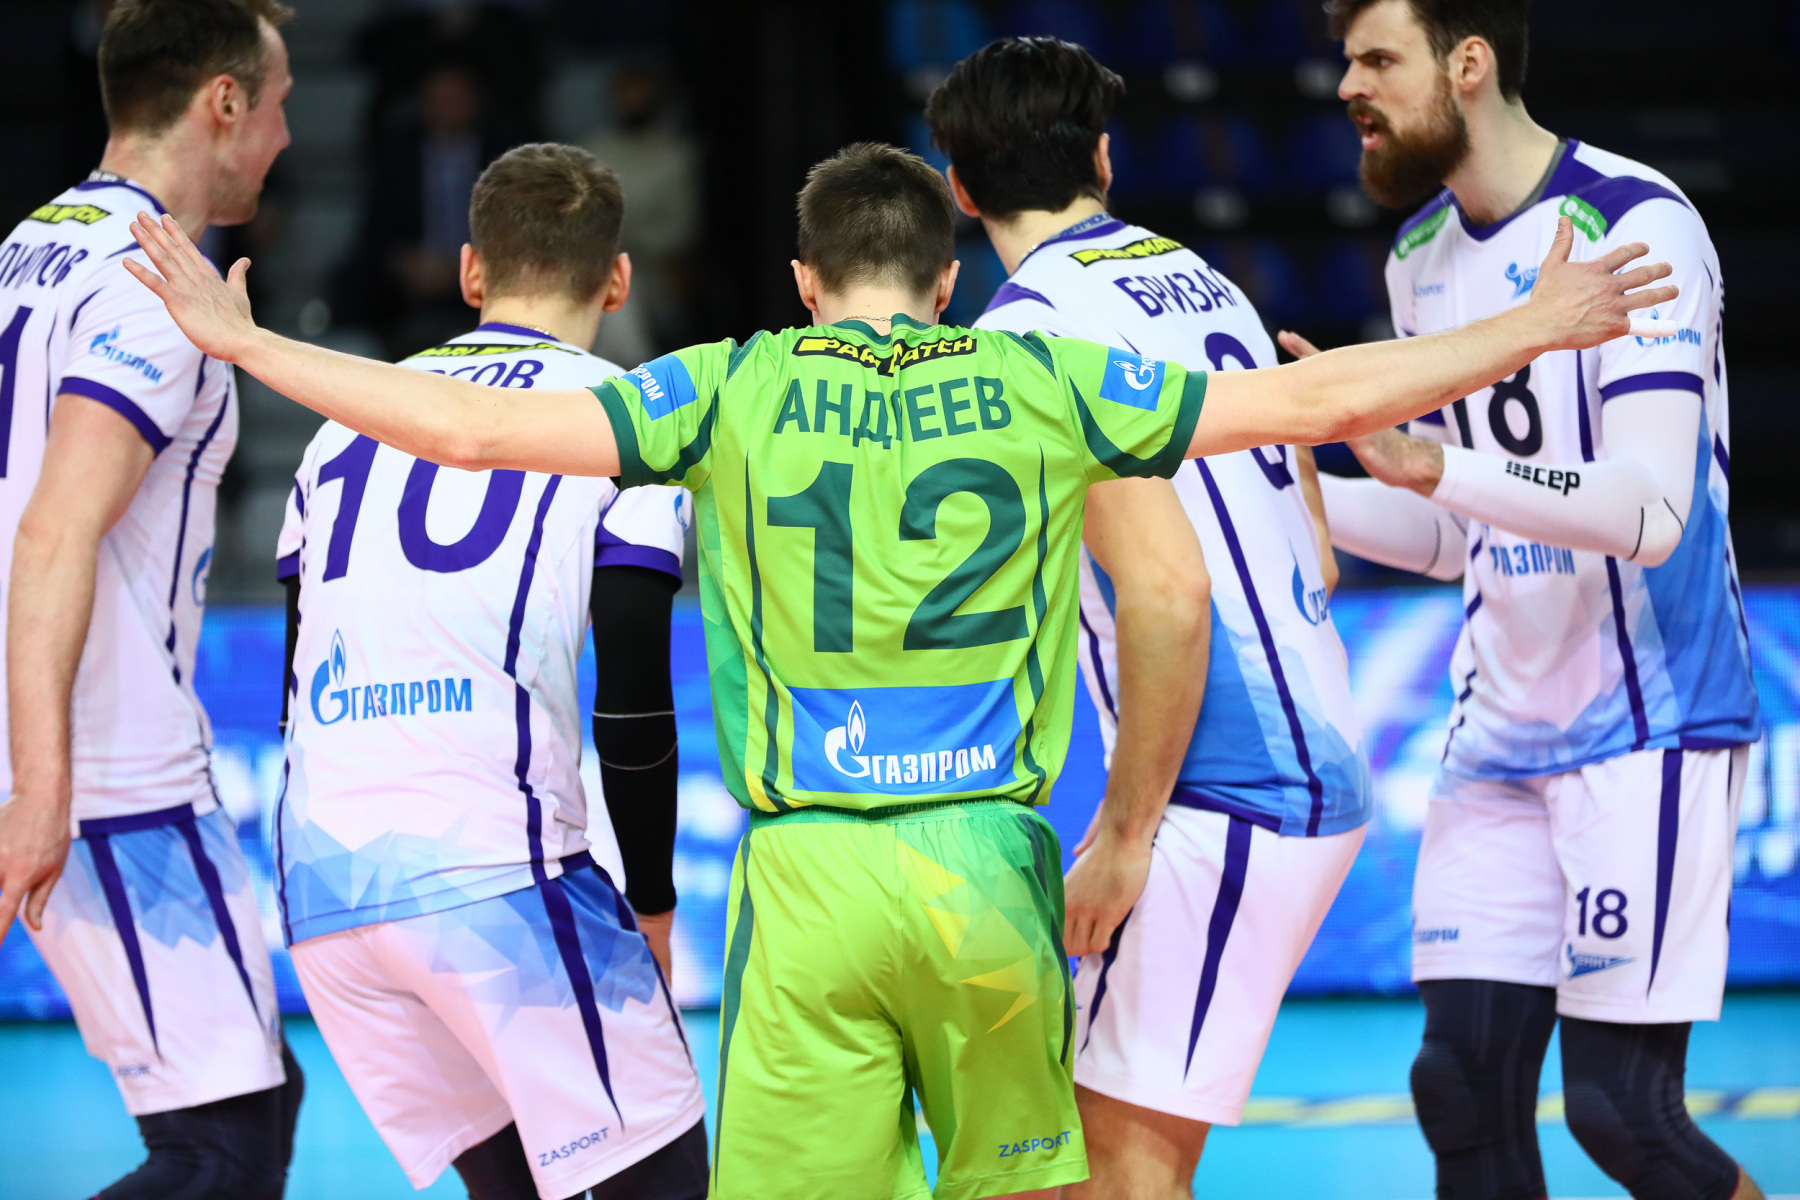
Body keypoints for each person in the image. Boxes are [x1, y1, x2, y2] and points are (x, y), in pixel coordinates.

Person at [125, 138, 1673, 1200]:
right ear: (945, 281)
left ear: (805, 281)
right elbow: (1313, 403)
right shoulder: (1041, 374)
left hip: (809, 889)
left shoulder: (725, 386)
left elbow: (465, 426)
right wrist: (1535, 325)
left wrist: (250, 347)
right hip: (985, 878)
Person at [1289, 3, 1764, 1199]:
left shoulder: (1637, 222)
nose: (1348, 86)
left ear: (1469, 62)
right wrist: (1301, 495)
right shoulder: (1417, 258)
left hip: (1647, 724)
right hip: (1497, 733)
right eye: (1346, 61)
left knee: (1625, 1117)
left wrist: (1435, 463)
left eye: (1377, 58)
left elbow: (1651, 513)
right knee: (1460, 1092)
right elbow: (1462, 534)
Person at [927, 38, 1372, 1200]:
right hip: (1300, 743)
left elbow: (1170, 592)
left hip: (1232, 789)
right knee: (1060, 1165)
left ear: (961, 191)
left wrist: (1126, 835)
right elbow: (1316, 540)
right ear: (1105, 161)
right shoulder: (1206, 281)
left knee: (1120, 1176)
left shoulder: (1021, 340)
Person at [274, 142, 705, 1200]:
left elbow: (296, 672)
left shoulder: (347, 417)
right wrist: (650, 905)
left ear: (472, 271)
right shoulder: (629, 418)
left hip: (325, 889)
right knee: (663, 1178)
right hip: (497, 875)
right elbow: (633, 694)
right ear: (617, 280)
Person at [0, 2, 303, 1198]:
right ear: (222, 102)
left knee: (251, 1109)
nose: (285, 137)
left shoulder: (32, 242)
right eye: (276, 104)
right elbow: (55, 526)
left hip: (60, 744)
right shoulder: (153, 284)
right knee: (221, 1150)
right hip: (104, 770)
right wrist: (44, 788)